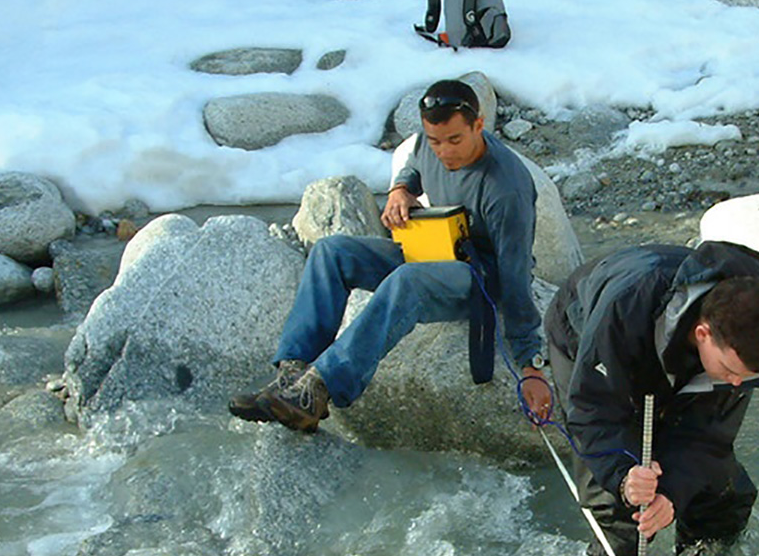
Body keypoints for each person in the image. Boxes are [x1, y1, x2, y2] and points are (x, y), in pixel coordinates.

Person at [230, 79, 553, 432]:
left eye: (455, 140)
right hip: (433, 251)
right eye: (435, 141)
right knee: (331, 252)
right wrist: (400, 189)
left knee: (408, 281)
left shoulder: (507, 188)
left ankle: (320, 388)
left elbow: (516, 273)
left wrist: (531, 363)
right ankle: (292, 377)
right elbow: (414, 164)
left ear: (479, 124)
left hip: (481, 278)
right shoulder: (429, 145)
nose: (444, 151)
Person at [543, 241, 759, 556]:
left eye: (746, 378)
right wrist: (624, 478)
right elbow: (594, 414)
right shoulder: (622, 311)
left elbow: (709, 437)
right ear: (703, 334)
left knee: (722, 494)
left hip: (674, 346)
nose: (735, 385)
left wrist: (671, 494)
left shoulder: (749, 341)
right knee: (621, 509)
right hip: (588, 333)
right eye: (730, 372)